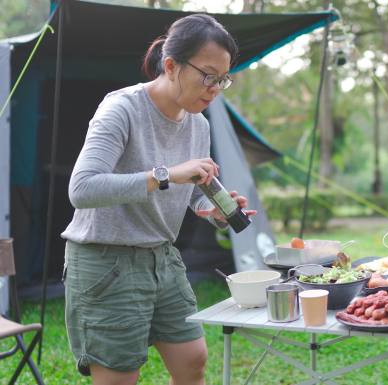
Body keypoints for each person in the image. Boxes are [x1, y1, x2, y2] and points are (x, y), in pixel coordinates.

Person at [61, 14, 254, 384]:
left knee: (192, 361)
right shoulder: (122, 109)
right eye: (208, 75)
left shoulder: (198, 122)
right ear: (171, 66)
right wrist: (166, 173)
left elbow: (185, 193)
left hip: (161, 258)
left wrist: (208, 208)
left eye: (223, 79)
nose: (215, 88)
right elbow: (82, 189)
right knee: (119, 376)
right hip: (105, 260)